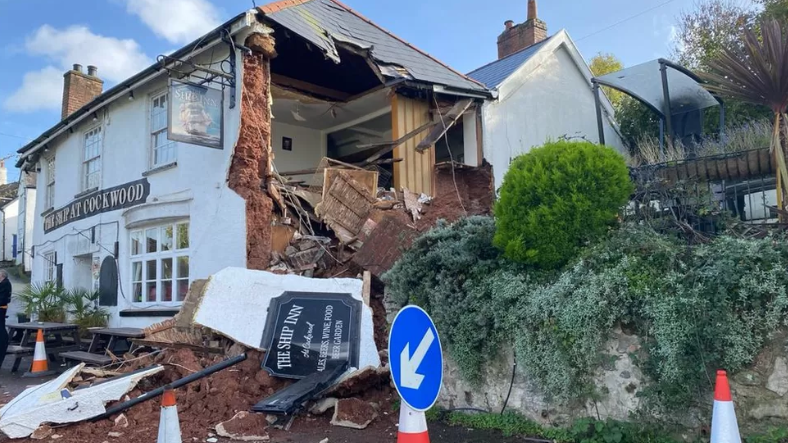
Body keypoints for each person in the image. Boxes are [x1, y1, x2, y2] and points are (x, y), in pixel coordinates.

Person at [0, 269, 11, 368]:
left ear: (2, 276)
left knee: (1, 329)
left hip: (1, 309)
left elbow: (2, 299)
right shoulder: (4, 283)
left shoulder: (5, 284)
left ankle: (3, 343)